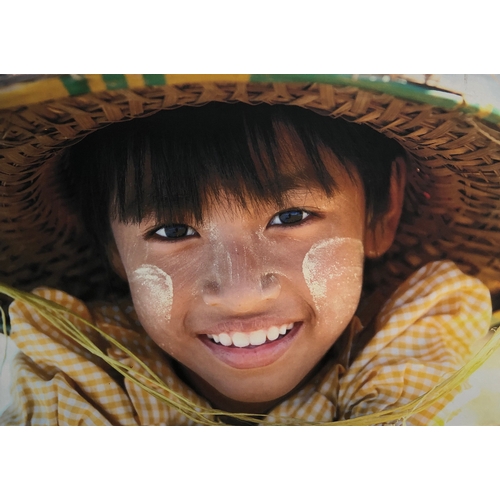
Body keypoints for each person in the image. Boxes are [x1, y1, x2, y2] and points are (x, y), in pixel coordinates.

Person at [0, 74, 497, 425]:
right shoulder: (77, 369)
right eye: (172, 232)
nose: (239, 293)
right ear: (111, 245)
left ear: (382, 210)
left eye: (290, 218)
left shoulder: (421, 335)